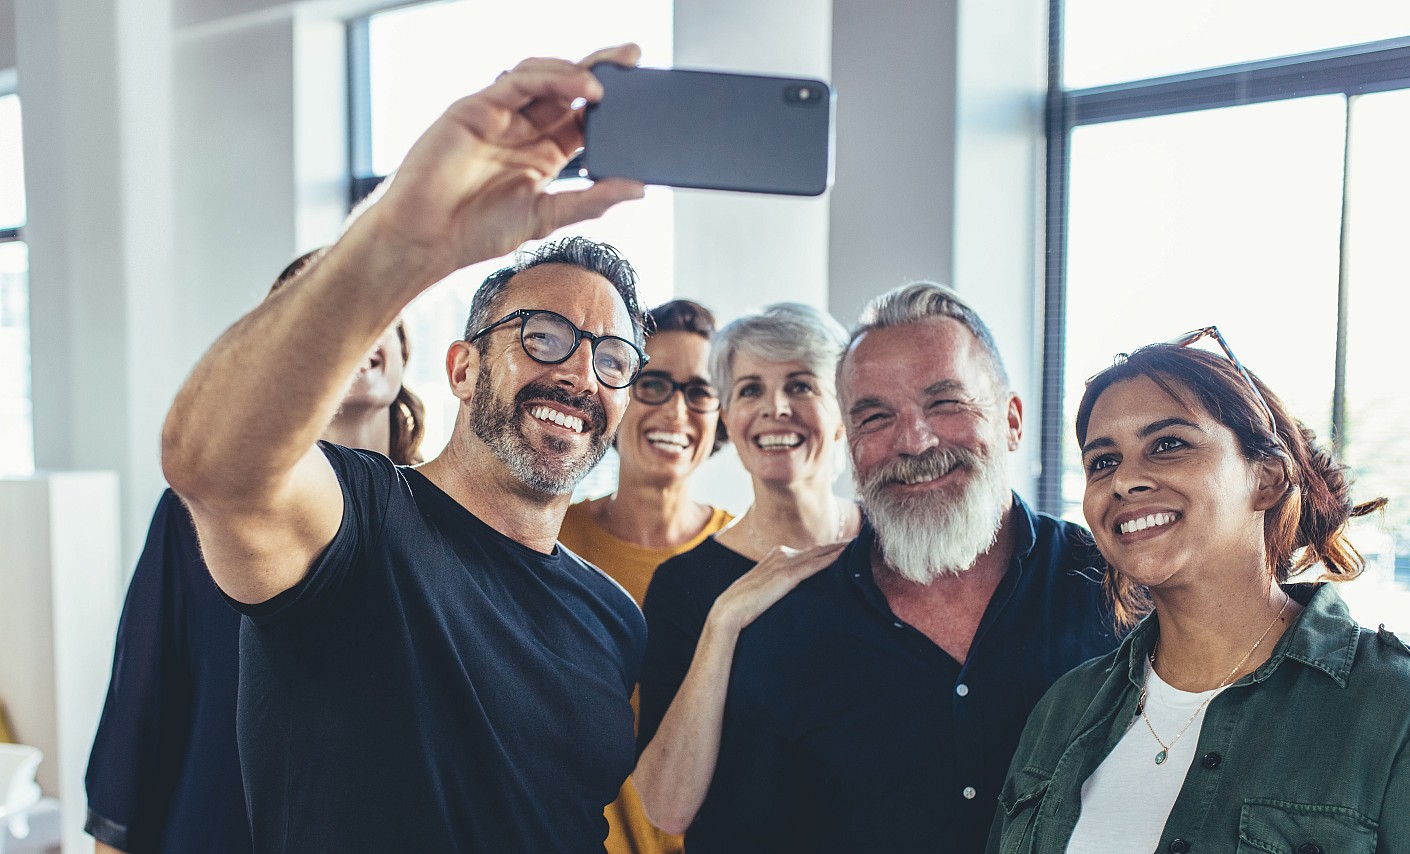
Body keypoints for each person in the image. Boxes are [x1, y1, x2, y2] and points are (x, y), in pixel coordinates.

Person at [159, 45, 651, 852]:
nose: (577, 374)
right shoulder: (361, 523)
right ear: (463, 367)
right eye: (544, 336)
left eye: (611, 358)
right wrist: (398, 242)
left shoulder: (611, 618)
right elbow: (212, 468)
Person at [669, 282, 1120, 853]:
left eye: (945, 402)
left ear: (1011, 420)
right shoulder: (786, 626)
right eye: (876, 416)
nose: (913, 440)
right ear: (851, 443)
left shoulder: (1111, 585)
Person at [987, 328, 1409, 853]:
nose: (1124, 480)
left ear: (1268, 479)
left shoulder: (1391, 706)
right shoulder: (1064, 709)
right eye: (1102, 461)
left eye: (1168, 445)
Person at [85, 248, 427, 854]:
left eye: (370, 313)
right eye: (319, 314)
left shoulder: (438, 522)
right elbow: (140, 708)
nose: (349, 329)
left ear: (403, 350)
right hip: (213, 827)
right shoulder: (198, 511)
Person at [633, 302, 861, 835]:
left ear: (846, 412)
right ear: (730, 421)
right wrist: (724, 621)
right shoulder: (684, 587)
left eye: (802, 385)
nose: (775, 407)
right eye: (750, 389)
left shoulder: (894, 552)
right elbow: (665, 807)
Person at [558, 298, 732, 854]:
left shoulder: (748, 561)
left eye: (700, 391)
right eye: (653, 384)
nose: (676, 413)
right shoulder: (549, 540)